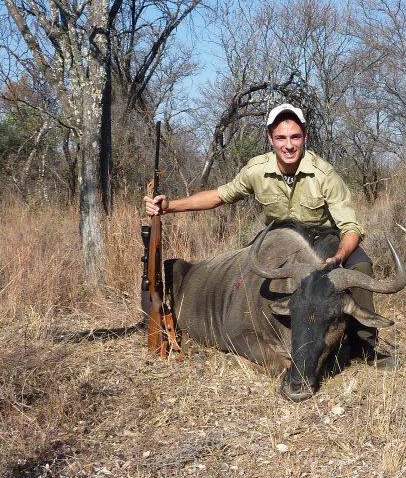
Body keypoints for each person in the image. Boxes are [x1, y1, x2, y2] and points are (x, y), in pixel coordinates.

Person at [143, 103, 393, 366]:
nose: (288, 145)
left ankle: (365, 347)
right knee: (251, 280)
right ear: (270, 139)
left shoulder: (323, 173)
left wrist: (339, 256)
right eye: (281, 138)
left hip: (321, 240)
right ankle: (262, 334)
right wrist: (170, 206)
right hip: (277, 240)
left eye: (295, 137)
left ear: (305, 137)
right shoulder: (256, 169)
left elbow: (351, 227)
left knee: (361, 265)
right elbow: (220, 196)